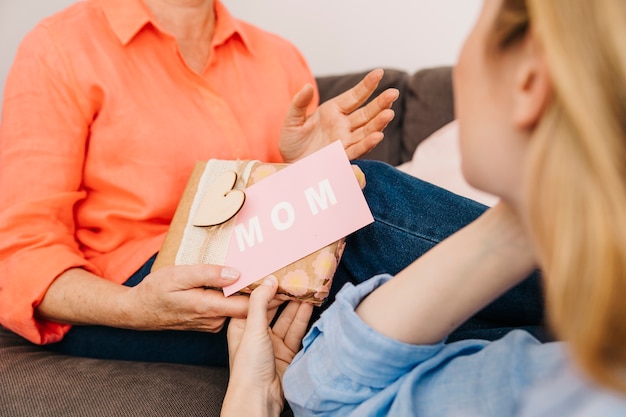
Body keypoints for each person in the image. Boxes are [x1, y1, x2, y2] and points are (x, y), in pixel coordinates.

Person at [223, 0, 626, 415]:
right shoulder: (543, 368)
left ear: (530, 80)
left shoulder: (538, 382)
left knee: (356, 190)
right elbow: (321, 391)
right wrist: (532, 210)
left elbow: (323, 393)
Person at [0, 0, 400, 366]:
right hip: (132, 286)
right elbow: (20, 254)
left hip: (258, 262)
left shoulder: (279, 57)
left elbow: (291, 230)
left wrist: (303, 169)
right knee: (371, 209)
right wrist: (133, 307)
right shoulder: (59, 47)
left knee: (354, 203)